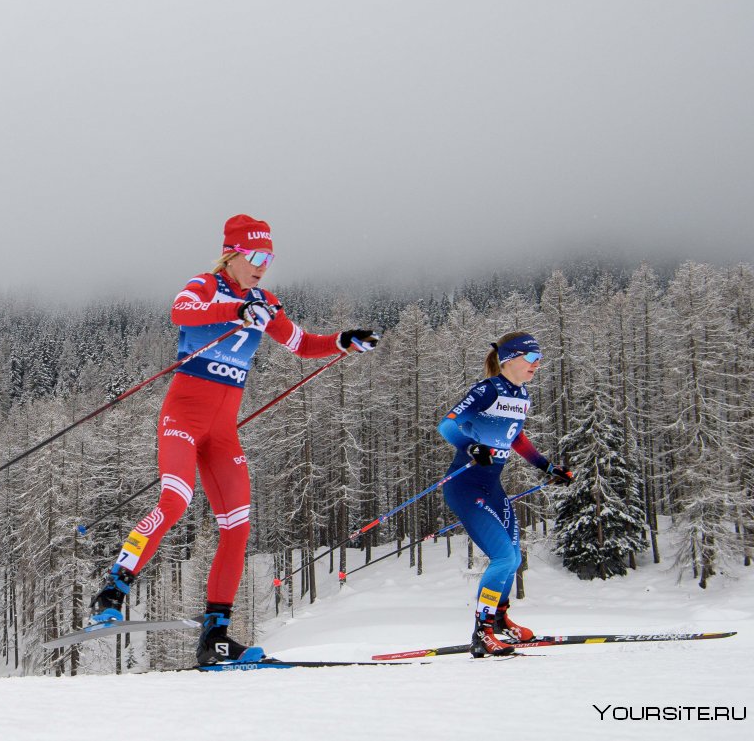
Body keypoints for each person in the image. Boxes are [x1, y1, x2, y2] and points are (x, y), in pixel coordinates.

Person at [88, 214, 380, 666]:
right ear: (234, 254)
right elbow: (179, 312)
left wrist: (343, 341)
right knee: (175, 501)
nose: (264, 265)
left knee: (237, 526)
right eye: (257, 256)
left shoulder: (265, 301)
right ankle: (113, 589)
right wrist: (234, 311)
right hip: (183, 417)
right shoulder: (205, 286)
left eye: (270, 257)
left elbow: (300, 343)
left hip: (222, 431)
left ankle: (216, 636)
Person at [438, 332, 574, 657]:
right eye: (531, 358)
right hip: (466, 486)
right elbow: (447, 425)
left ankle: (499, 619)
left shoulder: (522, 396)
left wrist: (548, 467)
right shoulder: (486, 391)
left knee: (513, 559)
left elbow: (515, 438)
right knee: (501, 557)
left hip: (492, 486)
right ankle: (482, 632)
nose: (536, 364)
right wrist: (472, 446)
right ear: (509, 358)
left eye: (539, 359)